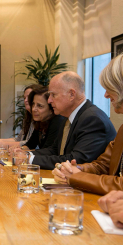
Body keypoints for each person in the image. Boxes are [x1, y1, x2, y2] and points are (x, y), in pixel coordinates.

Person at [52, 55, 123, 195]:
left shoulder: (92, 117)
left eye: (110, 88)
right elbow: (102, 165)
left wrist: (77, 177)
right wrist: (76, 169)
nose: (106, 96)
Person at [29, 71, 116, 170]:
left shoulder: (92, 119)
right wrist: (27, 154)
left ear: (71, 94)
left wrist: (30, 160)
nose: (49, 100)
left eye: (53, 95)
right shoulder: (68, 117)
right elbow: (55, 150)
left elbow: (76, 160)